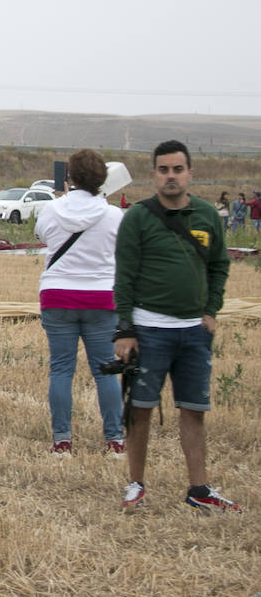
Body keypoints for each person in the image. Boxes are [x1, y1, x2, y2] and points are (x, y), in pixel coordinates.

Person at [113, 140, 238, 511]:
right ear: (154, 174)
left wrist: (211, 311)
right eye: (164, 170)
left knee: (194, 410)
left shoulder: (206, 216)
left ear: (190, 173)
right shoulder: (137, 217)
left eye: (177, 169)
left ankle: (198, 490)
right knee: (140, 408)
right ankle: (136, 483)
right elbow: (125, 275)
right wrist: (125, 329)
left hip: (194, 332)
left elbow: (219, 266)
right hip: (149, 329)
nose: (171, 176)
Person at [35, 149, 124, 455]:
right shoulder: (114, 214)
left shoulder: (52, 209)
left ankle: (62, 439)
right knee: (105, 370)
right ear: (102, 179)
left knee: (61, 370)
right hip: (101, 297)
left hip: (58, 295)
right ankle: (115, 439)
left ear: (69, 177)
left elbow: (42, 236)